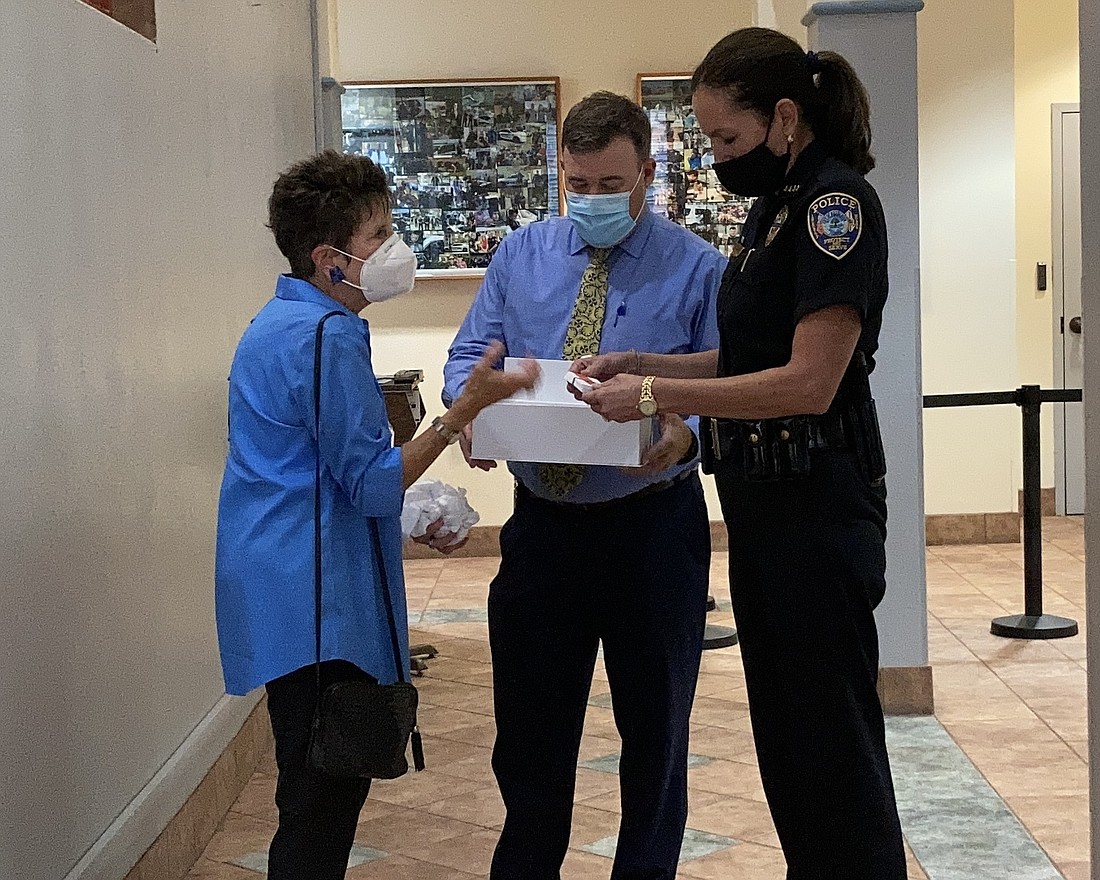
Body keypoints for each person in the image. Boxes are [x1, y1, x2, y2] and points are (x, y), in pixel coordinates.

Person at [572, 28, 907, 880]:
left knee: (832, 747)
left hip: (818, 508)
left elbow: (805, 382)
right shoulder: (775, 206)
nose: (719, 156)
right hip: (763, 509)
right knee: (787, 740)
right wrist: (642, 362)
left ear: (785, 118)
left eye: (726, 138)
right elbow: (751, 355)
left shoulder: (837, 209)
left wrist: (654, 398)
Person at [214, 150, 537, 880]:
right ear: (330, 260)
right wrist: (462, 414)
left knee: (313, 782)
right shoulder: (326, 336)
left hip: (286, 574)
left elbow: (319, 468)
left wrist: (420, 502)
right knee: (324, 791)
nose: (396, 249)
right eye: (380, 236)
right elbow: (368, 484)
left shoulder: (281, 322)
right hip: (313, 594)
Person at [444, 91, 726, 880]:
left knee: (656, 737)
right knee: (531, 737)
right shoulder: (521, 256)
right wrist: (469, 409)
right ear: (559, 173)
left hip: (653, 528)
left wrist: (682, 435)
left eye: (611, 185)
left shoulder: (698, 267)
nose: (594, 201)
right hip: (545, 529)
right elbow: (471, 355)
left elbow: (726, 385)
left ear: (646, 173)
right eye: (580, 185)